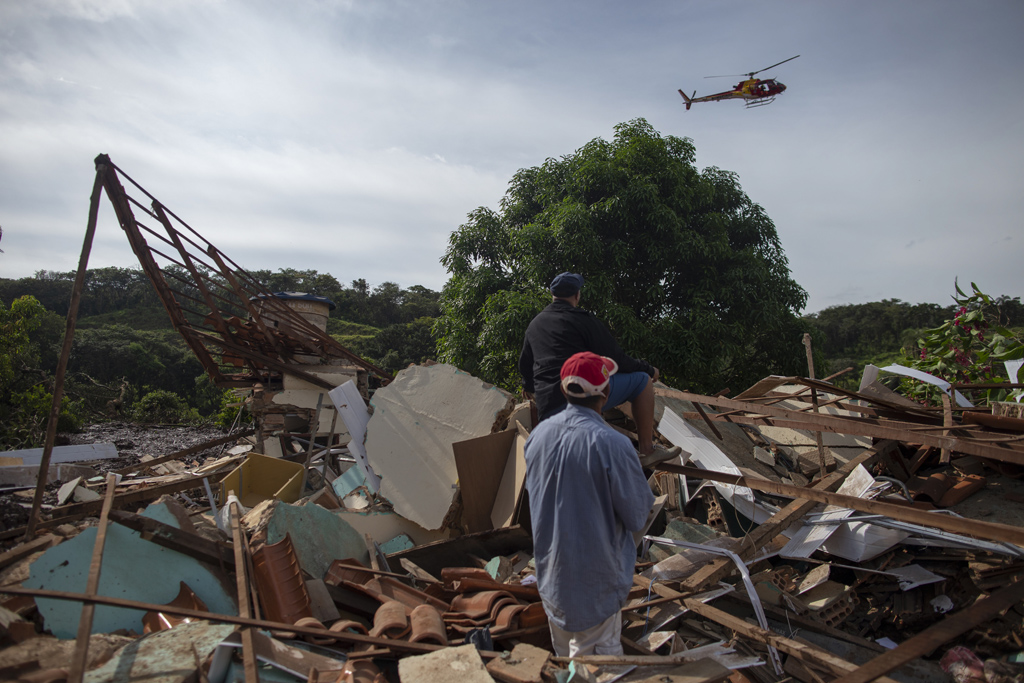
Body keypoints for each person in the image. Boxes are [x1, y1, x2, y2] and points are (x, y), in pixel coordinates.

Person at [524, 351, 656, 657]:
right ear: (607, 392)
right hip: (595, 586)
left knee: (564, 661)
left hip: (552, 580)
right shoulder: (613, 444)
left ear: (562, 389)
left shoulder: (538, 436)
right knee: (598, 669)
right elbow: (638, 516)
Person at [518, 271, 666, 456]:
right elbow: (617, 359)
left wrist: (530, 387)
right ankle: (647, 449)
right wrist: (649, 369)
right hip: (579, 399)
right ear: (577, 295)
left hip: (547, 406)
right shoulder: (581, 319)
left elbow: (525, 366)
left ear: (552, 295)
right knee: (642, 381)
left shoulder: (535, 325)